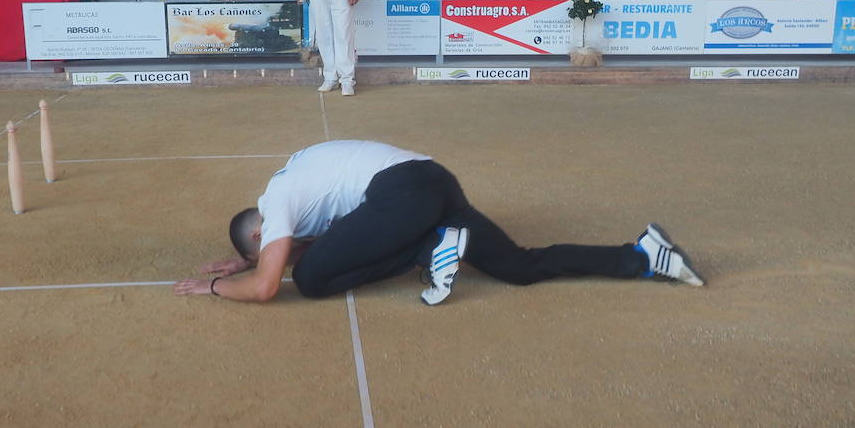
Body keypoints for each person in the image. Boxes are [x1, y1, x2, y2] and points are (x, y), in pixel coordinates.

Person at [173, 141, 704, 305]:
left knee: (308, 283)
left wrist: (222, 285)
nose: (272, 256)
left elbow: (269, 287)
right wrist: (249, 261)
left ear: (263, 234)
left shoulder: (277, 200)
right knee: (518, 267)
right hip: (433, 182)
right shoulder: (296, 188)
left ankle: (431, 247)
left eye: (264, 250)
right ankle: (640, 255)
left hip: (405, 195)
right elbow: (331, 243)